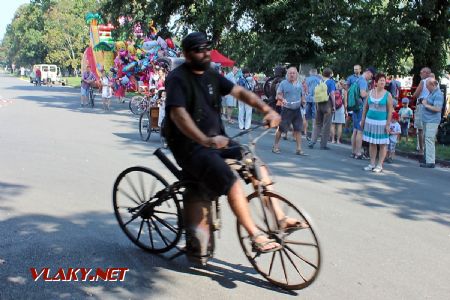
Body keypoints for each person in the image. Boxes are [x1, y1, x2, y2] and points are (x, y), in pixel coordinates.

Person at [165, 32, 302, 253]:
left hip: (217, 141)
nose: (205, 52)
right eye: (199, 49)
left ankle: (280, 218)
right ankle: (255, 236)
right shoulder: (177, 78)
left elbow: (240, 92)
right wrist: (206, 140)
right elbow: (178, 115)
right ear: (187, 54)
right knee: (233, 183)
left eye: (207, 47)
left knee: (256, 165)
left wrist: (267, 110)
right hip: (191, 147)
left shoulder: (211, 74)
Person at [361, 73, 394, 173]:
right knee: (372, 143)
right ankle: (372, 164)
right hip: (370, 121)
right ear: (376, 82)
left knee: (382, 144)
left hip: (382, 123)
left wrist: (388, 124)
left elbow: (390, 111)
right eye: (381, 80)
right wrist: (363, 120)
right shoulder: (370, 92)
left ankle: (379, 165)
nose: (382, 82)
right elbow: (365, 107)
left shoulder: (388, 95)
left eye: (384, 81)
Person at [272, 66, 307, 155]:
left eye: (293, 73)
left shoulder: (299, 84)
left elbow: (302, 95)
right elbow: (277, 95)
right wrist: (282, 99)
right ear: (287, 74)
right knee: (281, 129)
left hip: (297, 110)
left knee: (298, 129)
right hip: (287, 110)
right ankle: (275, 146)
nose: (292, 75)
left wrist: (303, 101)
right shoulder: (283, 83)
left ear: (296, 74)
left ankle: (299, 149)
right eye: (290, 73)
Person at [350, 67, 376, 159]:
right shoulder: (363, 81)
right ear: (368, 73)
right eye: (371, 76)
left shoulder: (357, 79)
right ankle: (358, 153)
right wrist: (372, 92)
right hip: (361, 107)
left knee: (355, 130)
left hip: (355, 107)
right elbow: (363, 94)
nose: (371, 78)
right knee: (360, 131)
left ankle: (353, 151)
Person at [309, 68, 336, 150]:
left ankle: (312, 141)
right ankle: (323, 145)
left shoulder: (320, 81)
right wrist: (334, 105)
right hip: (327, 104)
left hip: (319, 103)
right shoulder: (331, 82)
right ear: (330, 74)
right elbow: (332, 94)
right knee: (326, 125)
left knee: (317, 124)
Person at [421, 78, 444, 168]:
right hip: (428, 120)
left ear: (432, 85)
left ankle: (430, 161)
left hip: (432, 121)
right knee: (427, 139)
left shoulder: (438, 94)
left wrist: (426, 105)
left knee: (429, 139)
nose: (426, 88)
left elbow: (438, 108)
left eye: (427, 86)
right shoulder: (432, 93)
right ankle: (427, 158)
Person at [411, 67, 432, 155]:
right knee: (429, 128)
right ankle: (429, 150)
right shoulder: (435, 82)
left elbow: (416, 94)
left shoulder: (423, 82)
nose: (420, 74)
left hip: (422, 105)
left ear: (426, 73)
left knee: (420, 129)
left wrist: (414, 94)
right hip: (431, 106)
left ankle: (421, 150)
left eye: (421, 73)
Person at [304, 68, 322, 140]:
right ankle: (313, 136)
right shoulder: (319, 80)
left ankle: (306, 134)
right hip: (316, 99)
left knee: (306, 118)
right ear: (316, 72)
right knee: (315, 118)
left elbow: (303, 89)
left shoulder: (306, 79)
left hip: (307, 99)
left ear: (310, 72)